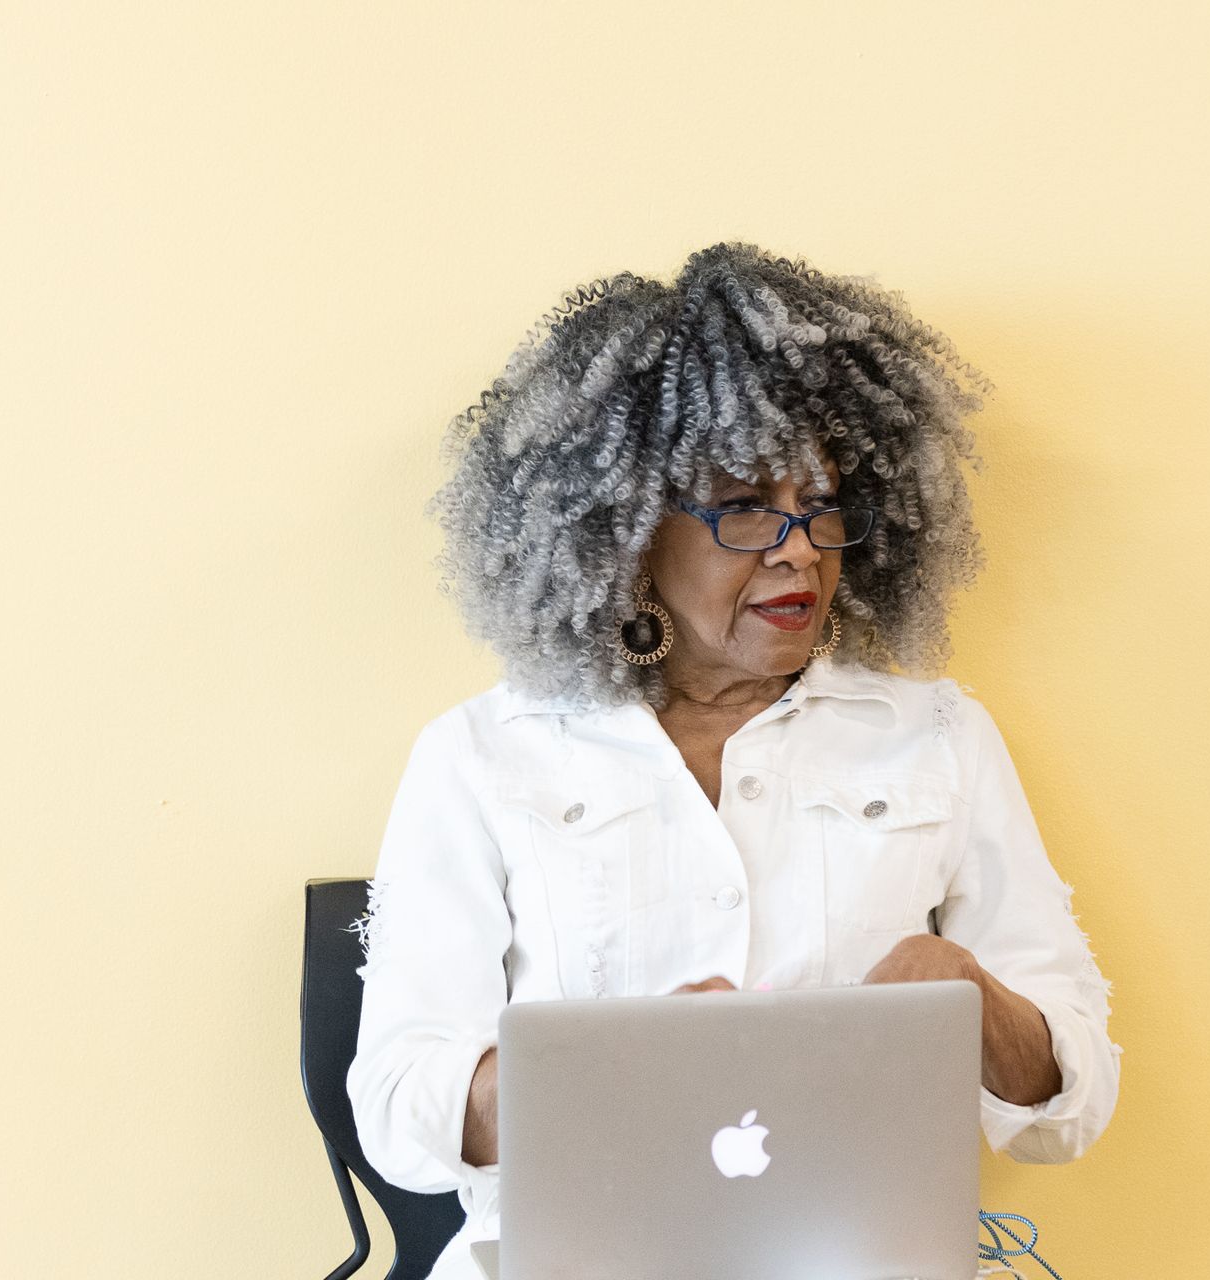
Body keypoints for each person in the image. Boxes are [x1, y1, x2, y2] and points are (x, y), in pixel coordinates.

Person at [346, 242, 1121, 1280]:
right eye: (745, 506)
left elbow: (1068, 1108)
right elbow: (398, 1110)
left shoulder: (938, 734)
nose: (799, 547)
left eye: (821, 505)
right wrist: (624, 1069)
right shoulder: (482, 757)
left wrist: (971, 992)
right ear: (624, 534)